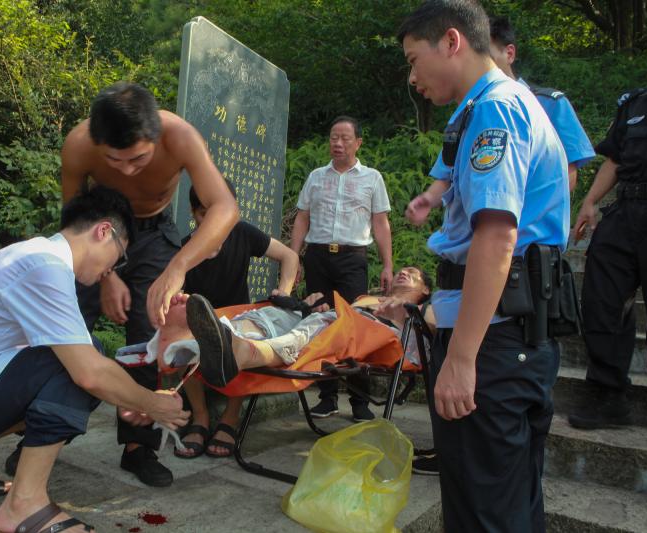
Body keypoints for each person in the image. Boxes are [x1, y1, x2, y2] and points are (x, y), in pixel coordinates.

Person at [0, 186, 190, 533]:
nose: (112, 270)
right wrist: (152, 403)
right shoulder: (43, 266)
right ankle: (23, 504)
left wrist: (126, 395)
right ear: (103, 231)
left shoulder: (35, 257)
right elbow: (89, 373)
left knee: (82, 357)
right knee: (79, 360)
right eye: (118, 258)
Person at [399, 1, 568, 532]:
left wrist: (463, 357)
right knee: (510, 502)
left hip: (493, 342)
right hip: (510, 333)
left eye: (413, 58)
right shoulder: (488, 107)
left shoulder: (495, 108)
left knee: (483, 511)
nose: (412, 76)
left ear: (451, 42)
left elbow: (496, 236)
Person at [60, 82, 238, 487]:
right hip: (97, 232)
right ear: (96, 142)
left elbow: (224, 207)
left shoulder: (180, 136)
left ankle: (139, 446)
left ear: (155, 134)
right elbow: (72, 219)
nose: (125, 170)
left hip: (156, 233)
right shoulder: (78, 144)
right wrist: (108, 275)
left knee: (150, 329)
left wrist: (178, 267)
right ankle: (41, 434)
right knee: (65, 325)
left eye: (137, 158)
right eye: (114, 161)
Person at [176, 181, 299, 459]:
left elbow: (289, 256)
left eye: (220, 213)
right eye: (203, 214)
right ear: (193, 213)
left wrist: (285, 293)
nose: (213, 222)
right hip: (200, 323)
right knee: (181, 339)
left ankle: (230, 419)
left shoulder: (242, 233)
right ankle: (201, 417)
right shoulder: (185, 249)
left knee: (246, 342)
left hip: (239, 321)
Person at [144, 266, 433, 384]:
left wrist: (408, 310)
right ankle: (192, 344)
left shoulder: (425, 311)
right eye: (403, 270)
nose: (405, 272)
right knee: (269, 315)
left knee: (316, 328)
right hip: (329, 321)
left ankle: (234, 352)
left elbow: (424, 340)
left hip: (365, 336)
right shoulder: (366, 298)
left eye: (414, 275)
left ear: (426, 291)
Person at [290, 115, 394, 421]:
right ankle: (327, 396)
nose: (338, 143)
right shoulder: (315, 176)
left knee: (353, 326)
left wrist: (388, 265)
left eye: (345, 138)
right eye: (334, 137)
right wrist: (294, 257)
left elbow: (380, 223)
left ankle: (359, 401)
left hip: (352, 259)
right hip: (318, 257)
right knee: (320, 322)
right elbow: (302, 217)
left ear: (358, 142)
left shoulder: (372, 178)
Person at [567, 87, 647, 430]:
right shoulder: (636, 104)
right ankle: (607, 396)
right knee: (602, 301)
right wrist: (590, 202)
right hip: (627, 208)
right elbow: (614, 159)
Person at [489, 15, 595, 191]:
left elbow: (567, 175)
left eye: (487, 58)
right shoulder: (475, 110)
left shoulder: (551, 104)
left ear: (509, 54)